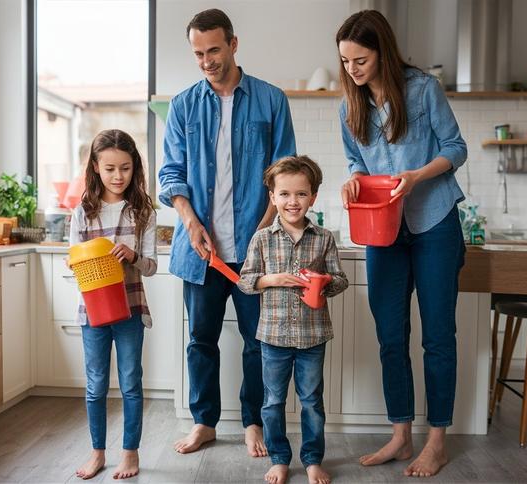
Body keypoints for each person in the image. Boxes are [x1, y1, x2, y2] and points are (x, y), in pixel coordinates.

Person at [158, 8, 296, 457]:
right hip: (200, 252)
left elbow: (285, 172)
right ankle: (204, 422)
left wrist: (261, 233)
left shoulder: (271, 100)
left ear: (234, 44)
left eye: (213, 50)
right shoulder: (182, 105)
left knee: (259, 342)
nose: (206, 61)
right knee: (201, 341)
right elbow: (171, 175)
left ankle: (254, 421)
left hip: (256, 254)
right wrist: (192, 222)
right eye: (198, 53)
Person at [336, 10, 468, 478]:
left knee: (437, 337)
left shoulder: (422, 89)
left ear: (382, 52)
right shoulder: (348, 104)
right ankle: (400, 433)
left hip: (434, 221)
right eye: (346, 61)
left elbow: (455, 148)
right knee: (391, 337)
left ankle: (437, 440)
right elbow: (355, 157)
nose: (352, 69)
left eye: (361, 59)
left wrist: (416, 177)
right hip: (382, 230)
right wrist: (354, 178)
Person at [238, 155, 348, 484]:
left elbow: (341, 279)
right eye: (284, 194)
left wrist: (325, 281)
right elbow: (245, 281)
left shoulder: (324, 238)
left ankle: (313, 459)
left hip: (313, 336)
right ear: (272, 197)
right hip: (272, 338)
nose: (292, 201)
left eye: (301, 194)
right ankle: (280, 458)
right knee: (272, 402)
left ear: (312, 197)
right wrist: (272, 279)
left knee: (312, 402)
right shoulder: (261, 239)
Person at [70, 129, 157, 480]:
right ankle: (97, 453)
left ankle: (130, 454)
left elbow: (150, 266)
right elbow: (75, 257)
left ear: (135, 167)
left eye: (125, 168)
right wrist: (74, 260)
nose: (118, 176)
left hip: (131, 309)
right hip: (92, 312)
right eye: (109, 169)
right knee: (95, 385)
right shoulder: (83, 212)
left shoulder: (143, 211)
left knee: (131, 383)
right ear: (95, 167)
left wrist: (133, 255)